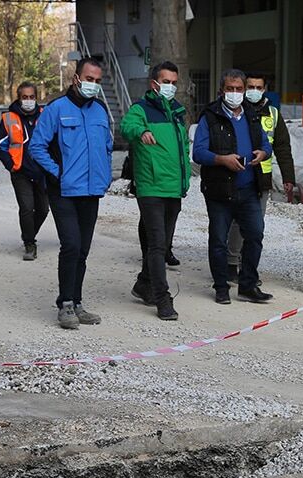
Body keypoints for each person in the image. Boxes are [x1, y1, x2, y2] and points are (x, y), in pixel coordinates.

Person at [30, 57, 113, 329]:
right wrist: (58, 172)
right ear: (76, 78)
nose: (93, 85)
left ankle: (77, 303)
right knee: (71, 245)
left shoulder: (100, 110)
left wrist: (105, 174)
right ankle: (65, 304)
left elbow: (107, 147)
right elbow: (36, 147)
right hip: (63, 191)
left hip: (91, 191)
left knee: (83, 250)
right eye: (89, 79)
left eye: (98, 81)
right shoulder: (56, 109)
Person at [193, 69, 274, 305]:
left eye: (239, 89)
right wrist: (222, 159)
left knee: (255, 235)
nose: (235, 93)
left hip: (248, 188)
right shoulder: (210, 116)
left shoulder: (252, 115)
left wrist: (263, 153)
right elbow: (198, 152)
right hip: (219, 190)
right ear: (222, 91)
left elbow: (266, 144)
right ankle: (221, 287)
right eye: (230, 89)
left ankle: (248, 285)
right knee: (219, 240)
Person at [120, 61, 190, 321]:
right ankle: (162, 298)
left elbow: (183, 149)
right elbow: (126, 127)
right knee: (158, 244)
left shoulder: (178, 112)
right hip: (150, 186)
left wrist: (185, 180)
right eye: (166, 82)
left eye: (174, 83)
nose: (171, 87)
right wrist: (141, 130)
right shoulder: (141, 109)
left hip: (173, 187)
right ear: (154, 84)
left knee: (162, 244)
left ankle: (143, 283)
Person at [227, 73, 296, 281]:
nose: (254, 91)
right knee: (236, 222)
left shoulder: (273, 114)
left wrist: (288, 177)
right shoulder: (234, 111)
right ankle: (231, 263)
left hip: (262, 179)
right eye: (250, 87)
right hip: (237, 176)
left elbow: (282, 147)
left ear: (264, 90)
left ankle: (248, 268)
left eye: (258, 87)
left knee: (256, 226)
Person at [0, 82, 48, 261]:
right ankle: (29, 243)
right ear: (18, 98)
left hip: (42, 171)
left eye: (32, 97)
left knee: (43, 209)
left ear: (36, 98)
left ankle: (29, 233)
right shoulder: (9, 118)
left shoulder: (45, 115)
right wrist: (11, 165)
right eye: (25, 97)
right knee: (26, 207)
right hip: (20, 172)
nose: (29, 100)